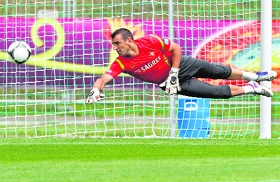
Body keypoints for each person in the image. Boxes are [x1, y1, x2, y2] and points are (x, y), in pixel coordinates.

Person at [86, 28, 277, 103]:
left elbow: (176, 48)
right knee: (214, 93)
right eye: (113, 44)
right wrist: (96, 90)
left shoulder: (150, 42)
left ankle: (254, 76)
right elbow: (103, 79)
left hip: (180, 66)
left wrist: (175, 72)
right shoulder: (121, 63)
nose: (115, 47)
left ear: (128, 41)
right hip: (170, 83)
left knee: (217, 70)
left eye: (117, 43)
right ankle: (252, 89)